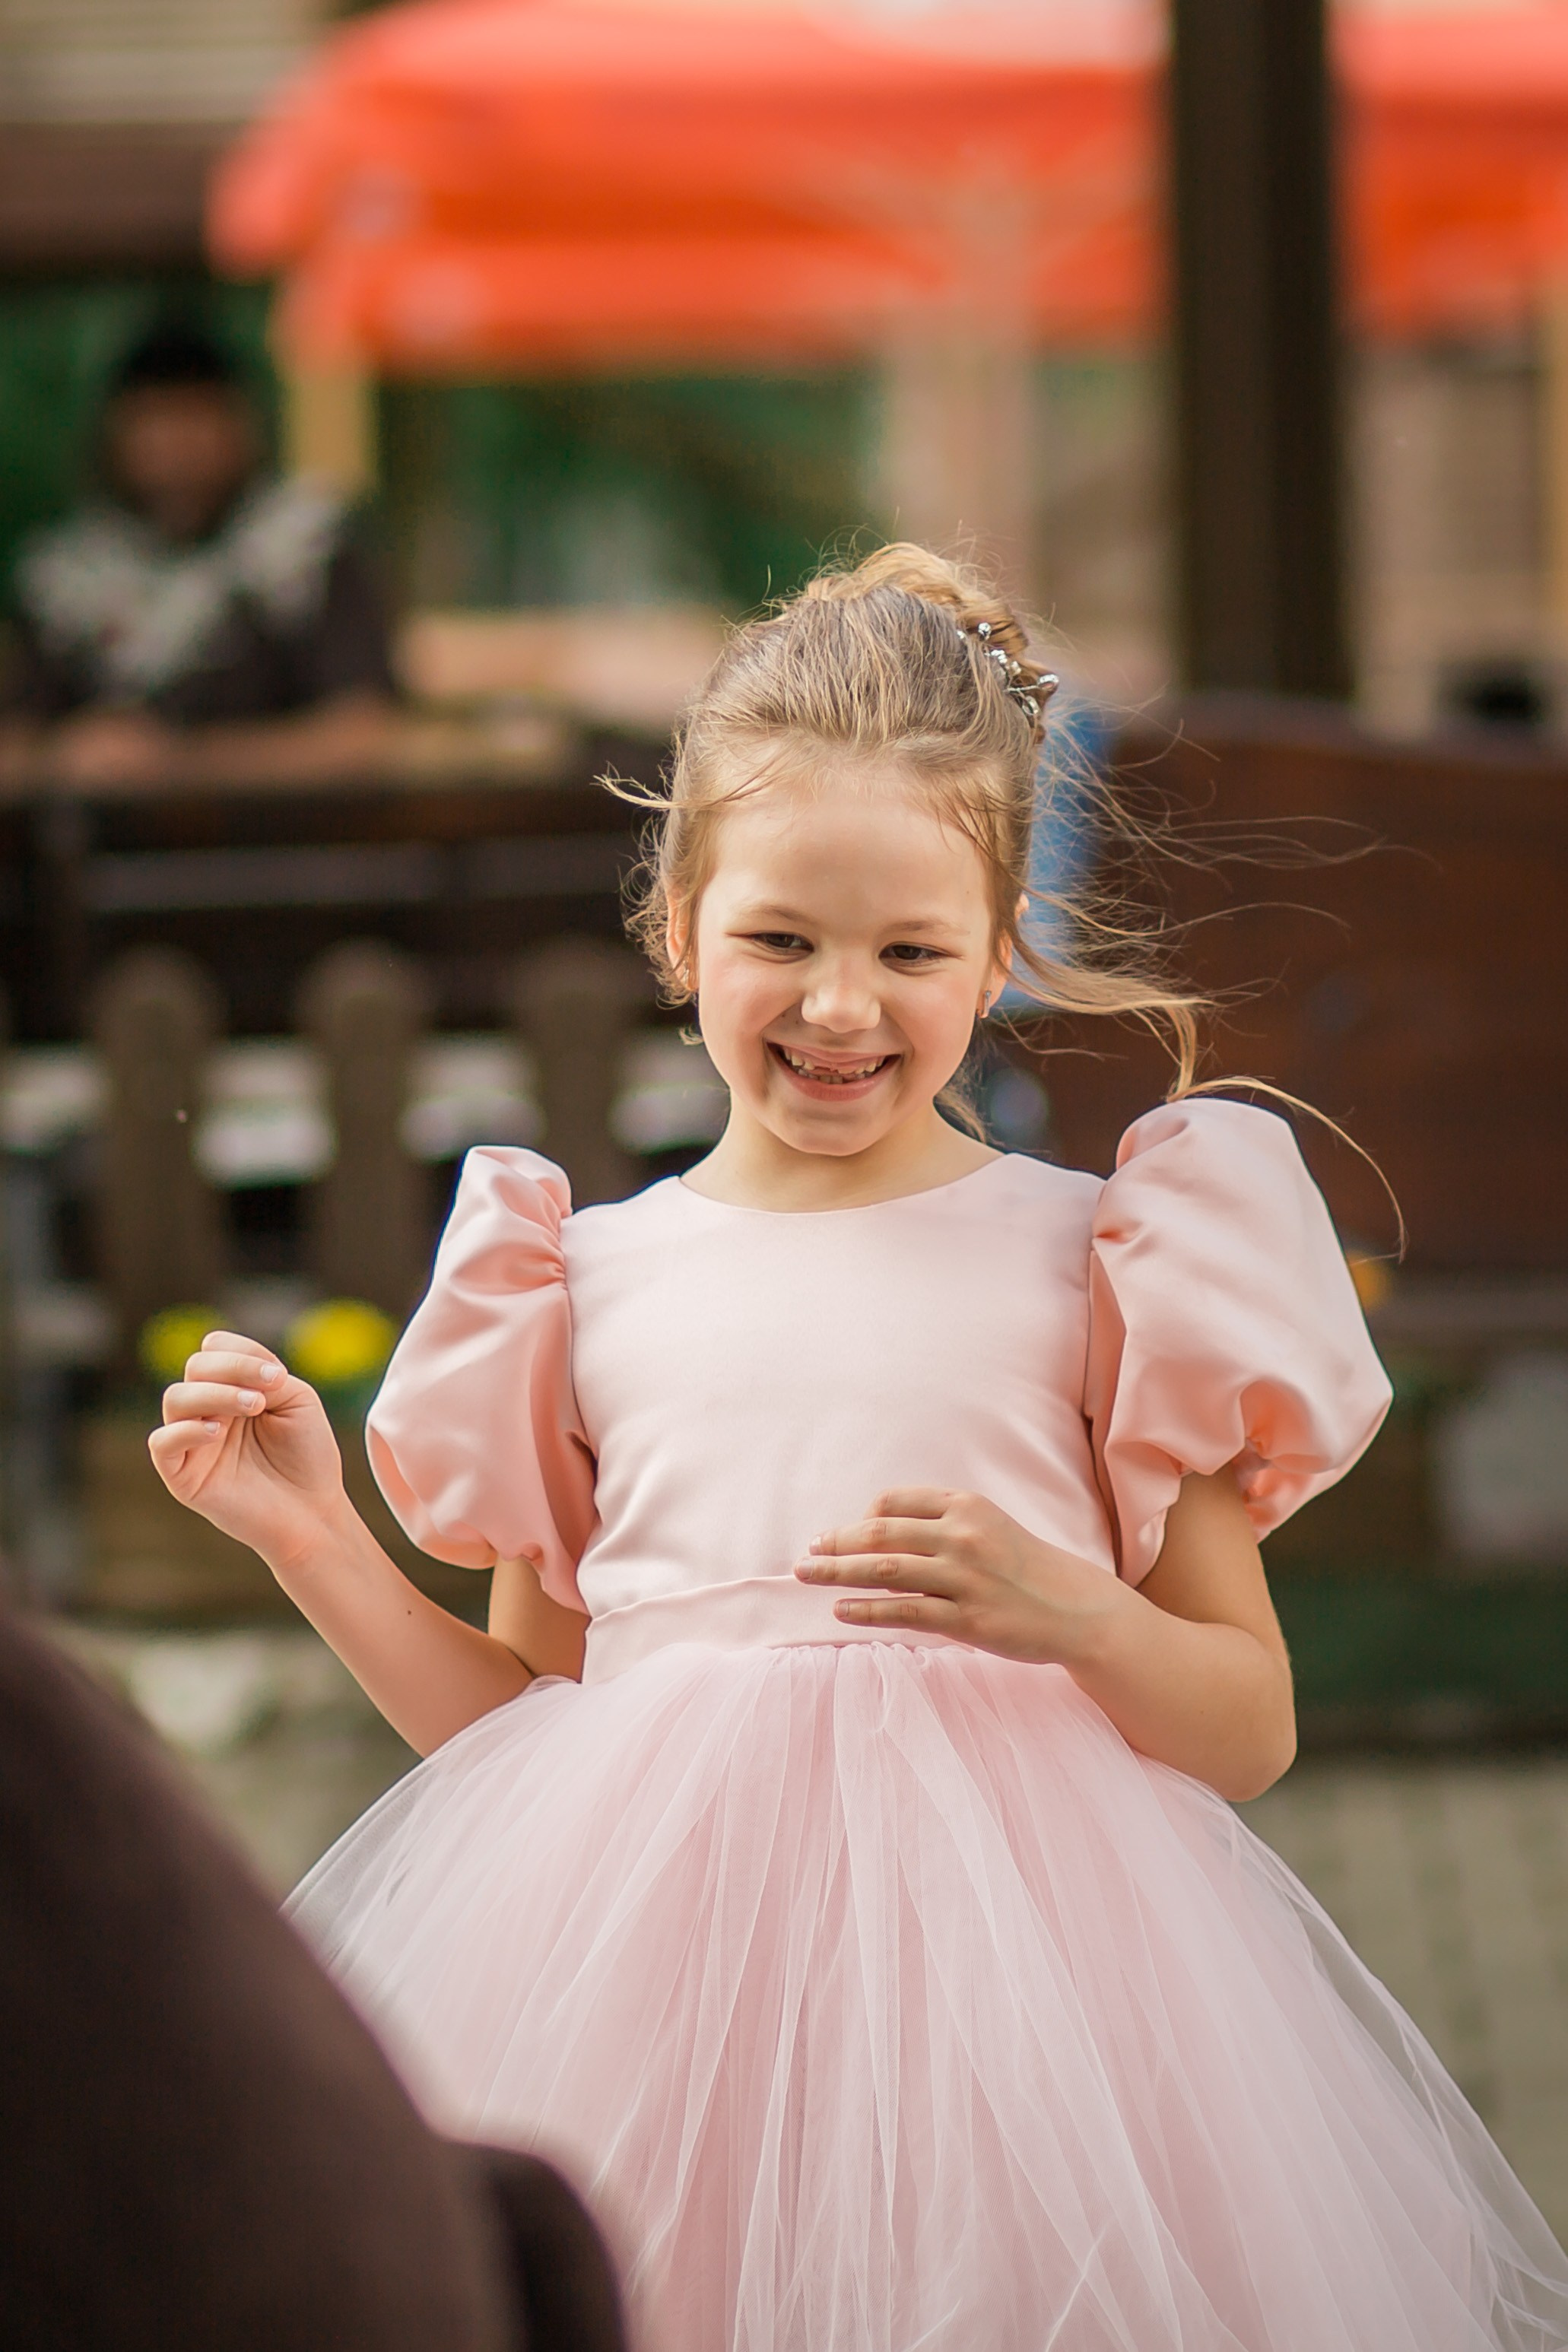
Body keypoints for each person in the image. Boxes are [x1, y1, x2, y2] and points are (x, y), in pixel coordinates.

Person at [150, 546, 1568, 2350]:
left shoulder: (1104, 1259)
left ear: (998, 953)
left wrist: (1072, 1613)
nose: (839, 1004)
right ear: (678, 930)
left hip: (1029, 2051)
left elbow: (1245, 1725)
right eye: (780, 940)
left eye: (907, 950)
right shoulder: (573, 1283)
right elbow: (519, 1726)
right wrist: (313, 1537)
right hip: (659, 2035)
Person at [3, 320, 395, 787]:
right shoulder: (64, 576)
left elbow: (365, 734)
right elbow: (15, 743)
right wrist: (66, 754)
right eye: (155, 422)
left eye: (197, 420)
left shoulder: (307, 548)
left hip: (283, 831)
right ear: (112, 436)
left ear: (243, 426)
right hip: (95, 834)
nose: (178, 449)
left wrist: (174, 761)